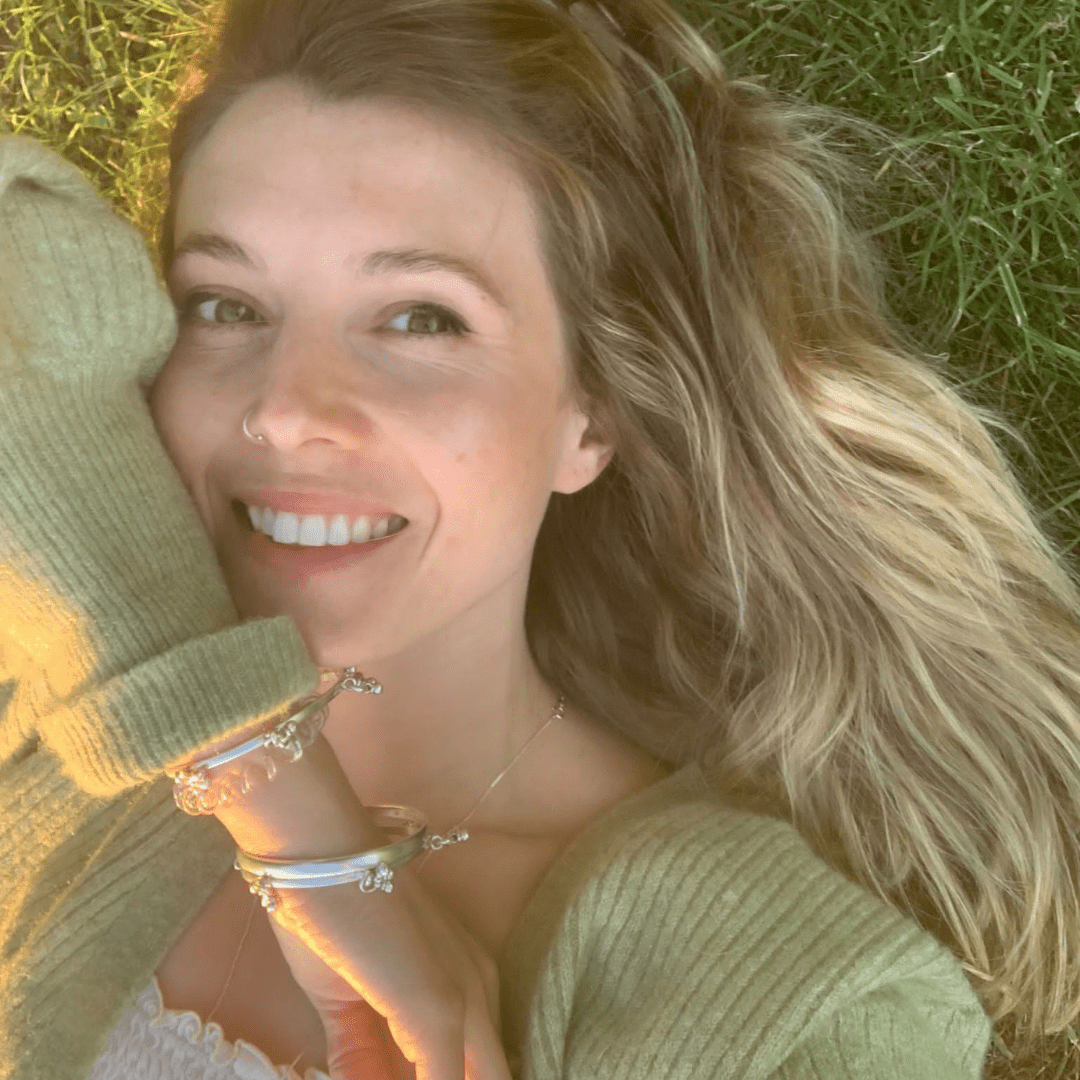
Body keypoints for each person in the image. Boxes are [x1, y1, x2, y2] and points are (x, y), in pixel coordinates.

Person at [2, 0, 1079, 1077]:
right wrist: (278, 800)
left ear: (590, 418)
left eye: (421, 318)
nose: (286, 410)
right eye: (227, 306)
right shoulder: (48, 684)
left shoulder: (797, 1004)